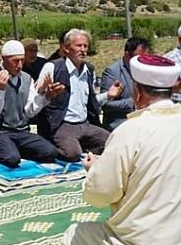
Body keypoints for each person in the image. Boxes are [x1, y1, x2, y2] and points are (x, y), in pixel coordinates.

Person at [61, 54, 181, 245]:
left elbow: (99, 195)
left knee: (74, 235)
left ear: (138, 92)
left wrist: (95, 170)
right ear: (171, 89)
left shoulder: (131, 130)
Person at [36, 29, 121, 160]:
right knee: (73, 154)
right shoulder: (53, 67)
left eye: (85, 46)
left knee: (113, 142)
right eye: (78, 46)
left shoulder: (89, 70)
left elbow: (91, 103)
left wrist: (108, 95)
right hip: (62, 124)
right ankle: (55, 146)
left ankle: (82, 147)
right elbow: (36, 100)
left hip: (84, 123)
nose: (83, 50)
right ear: (66, 48)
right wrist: (45, 92)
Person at [0, 40, 59, 166]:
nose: (20, 65)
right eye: (15, 61)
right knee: (11, 159)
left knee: (50, 152)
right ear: (4, 59)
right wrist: (0, 90)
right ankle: (8, 149)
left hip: (21, 131)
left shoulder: (27, 78)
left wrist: (45, 97)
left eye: (22, 60)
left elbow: (29, 112)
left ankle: (15, 148)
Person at [100, 37, 150, 130]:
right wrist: (134, 103)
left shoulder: (146, 69)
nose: (142, 62)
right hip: (120, 126)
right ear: (127, 54)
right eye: (138, 58)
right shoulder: (112, 72)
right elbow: (106, 105)